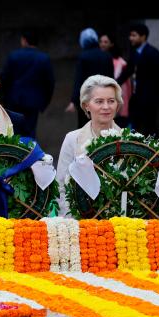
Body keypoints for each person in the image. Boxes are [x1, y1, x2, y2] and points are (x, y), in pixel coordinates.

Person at [56, 75, 121, 215]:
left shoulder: (130, 141)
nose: (106, 107)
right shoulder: (72, 139)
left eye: (111, 101)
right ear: (86, 105)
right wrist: (72, 224)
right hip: (80, 224)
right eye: (99, 101)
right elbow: (60, 187)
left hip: (121, 226)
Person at [0, 29, 55, 138]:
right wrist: (44, 103)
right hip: (33, 102)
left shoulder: (13, 56)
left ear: (24, 40)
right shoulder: (43, 58)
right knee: (30, 134)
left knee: (13, 133)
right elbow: (50, 83)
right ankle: (30, 154)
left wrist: (3, 99)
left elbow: (5, 79)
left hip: (14, 101)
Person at [117, 22, 159, 137]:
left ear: (143, 36)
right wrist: (115, 82)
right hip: (136, 98)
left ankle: (155, 152)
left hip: (149, 100)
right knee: (135, 128)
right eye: (130, 35)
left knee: (151, 128)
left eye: (134, 35)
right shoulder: (135, 53)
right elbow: (128, 71)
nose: (131, 38)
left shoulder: (153, 53)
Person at [67, 28, 113, 127]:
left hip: (87, 98)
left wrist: (73, 101)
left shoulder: (83, 56)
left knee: (85, 126)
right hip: (103, 97)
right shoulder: (107, 56)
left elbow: (79, 80)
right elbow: (111, 79)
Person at [99, 33, 131, 120]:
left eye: (105, 42)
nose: (102, 44)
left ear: (111, 44)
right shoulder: (98, 59)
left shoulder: (120, 62)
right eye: (101, 41)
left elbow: (126, 88)